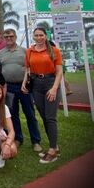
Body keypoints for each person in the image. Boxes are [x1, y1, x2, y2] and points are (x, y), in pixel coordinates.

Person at [22, 27, 63, 164]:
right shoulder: (29, 51)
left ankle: (52, 150)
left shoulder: (54, 50)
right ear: (33, 36)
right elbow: (28, 69)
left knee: (51, 117)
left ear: (45, 36)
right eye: (36, 35)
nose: (39, 37)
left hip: (51, 83)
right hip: (36, 85)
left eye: (41, 35)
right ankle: (55, 146)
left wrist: (54, 88)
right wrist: (24, 83)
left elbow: (59, 71)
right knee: (44, 116)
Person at [0, 29, 42, 151]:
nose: (9, 38)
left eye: (11, 36)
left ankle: (36, 141)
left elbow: (31, 67)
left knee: (30, 114)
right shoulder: (0, 54)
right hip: (9, 87)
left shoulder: (25, 51)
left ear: (15, 37)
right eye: (6, 36)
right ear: (3, 38)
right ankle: (17, 138)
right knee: (12, 114)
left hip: (24, 87)